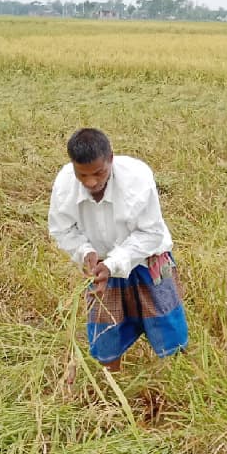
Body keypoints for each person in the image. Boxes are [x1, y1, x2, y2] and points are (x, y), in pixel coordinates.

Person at [48, 128, 188, 373]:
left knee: (168, 328)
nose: (91, 182)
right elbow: (61, 230)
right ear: (73, 167)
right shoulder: (64, 185)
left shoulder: (138, 178)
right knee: (105, 335)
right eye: (82, 175)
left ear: (110, 158)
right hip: (100, 267)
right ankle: (113, 388)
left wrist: (114, 263)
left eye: (98, 172)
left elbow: (151, 233)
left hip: (147, 258)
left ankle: (179, 381)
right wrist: (85, 252)